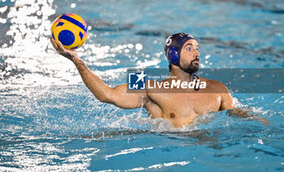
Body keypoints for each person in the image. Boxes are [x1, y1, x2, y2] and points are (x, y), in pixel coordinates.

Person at [50, 33, 268, 127]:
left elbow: (238, 113)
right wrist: (77, 61)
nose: (197, 53)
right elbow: (105, 94)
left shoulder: (217, 88)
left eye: (197, 48)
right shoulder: (149, 84)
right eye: (189, 48)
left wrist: (261, 122)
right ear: (173, 55)